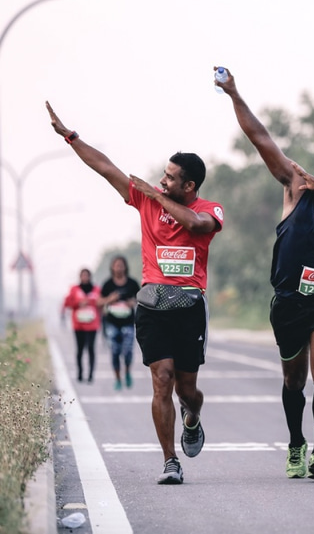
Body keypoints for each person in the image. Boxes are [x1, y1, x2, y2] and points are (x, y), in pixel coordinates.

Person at [46, 101, 224, 486]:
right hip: (153, 306)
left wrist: (158, 197)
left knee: (187, 389)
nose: (161, 181)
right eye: (163, 175)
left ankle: (192, 416)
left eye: (170, 178)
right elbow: (105, 166)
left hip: (190, 307)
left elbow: (196, 224)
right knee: (162, 379)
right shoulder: (144, 199)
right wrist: (71, 137)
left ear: (189, 186)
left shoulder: (209, 208)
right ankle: (170, 461)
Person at [216, 69, 314, 481]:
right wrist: (234, 94)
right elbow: (260, 138)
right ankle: (296, 442)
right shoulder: (295, 186)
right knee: (294, 379)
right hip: (289, 301)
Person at [98, 255, 140, 391]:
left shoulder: (132, 283)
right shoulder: (108, 284)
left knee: (128, 351)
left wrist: (133, 302)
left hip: (128, 323)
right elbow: (98, 302)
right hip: (112, 323)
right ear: (112, 267)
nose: (119, 268)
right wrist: (109, 299)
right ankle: (117, 379)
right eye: (116, 265)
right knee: (115, 352)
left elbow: (141, 298)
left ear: (125, 267)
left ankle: (127, 372)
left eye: (121, 265)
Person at [62, 268, 101, 384]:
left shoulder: (97, 289)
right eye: (83, 275)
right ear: (80, 277)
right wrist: (78, 303)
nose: (85, 277)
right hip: (79, 325)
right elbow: (67, 303)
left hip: (92, 324)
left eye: (87, 275)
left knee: (91, 349)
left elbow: (101, 303)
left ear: (90, 276)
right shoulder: (74, 289)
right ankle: (80, 373)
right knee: (80, 349)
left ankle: (90, 374)